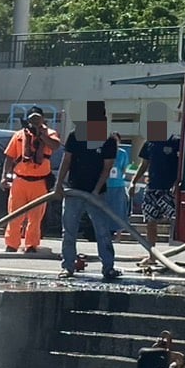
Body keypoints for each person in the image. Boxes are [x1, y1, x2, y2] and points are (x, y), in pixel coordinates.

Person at [55, 119, 119, 280]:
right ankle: (68, 267)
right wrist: (58, 184)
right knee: (69, 230)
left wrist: (96, 190)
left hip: (97, 193)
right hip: (74, 190)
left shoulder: (109, 140)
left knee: (102, 230)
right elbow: (67, 160)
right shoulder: (76, 136)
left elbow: (107, 167)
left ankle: (108, 267)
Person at [1, 107, 59, 253]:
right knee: (14, 214)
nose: (35, 121)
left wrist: (40, 134)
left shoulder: (50, 134)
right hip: (20, 181)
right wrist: (4, 177)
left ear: (43, 119)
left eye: (37, 118)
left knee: (36, 217)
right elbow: (9, 156)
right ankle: (12, 244)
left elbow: (55, 145)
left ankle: (31, 244)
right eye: (32, 119)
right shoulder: (19, 135)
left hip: (40, 182)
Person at [129, 123, 183, 272]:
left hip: (169, 189)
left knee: (175, 219)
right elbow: (144, 164)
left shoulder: (175, 141)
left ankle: (178, 252)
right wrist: (133, 182)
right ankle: (152, 255)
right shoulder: (150, 143)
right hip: (152, 188)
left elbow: (182, 164)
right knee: (150, 222)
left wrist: (178, 182)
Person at [104, 133, 132, 241]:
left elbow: (124, 169)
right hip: (106, 185)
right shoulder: (104, 150)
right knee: (105, 210)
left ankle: (118, 235)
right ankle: (106, 234)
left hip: (118, 185)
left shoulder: (122, 153)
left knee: (120, 210)